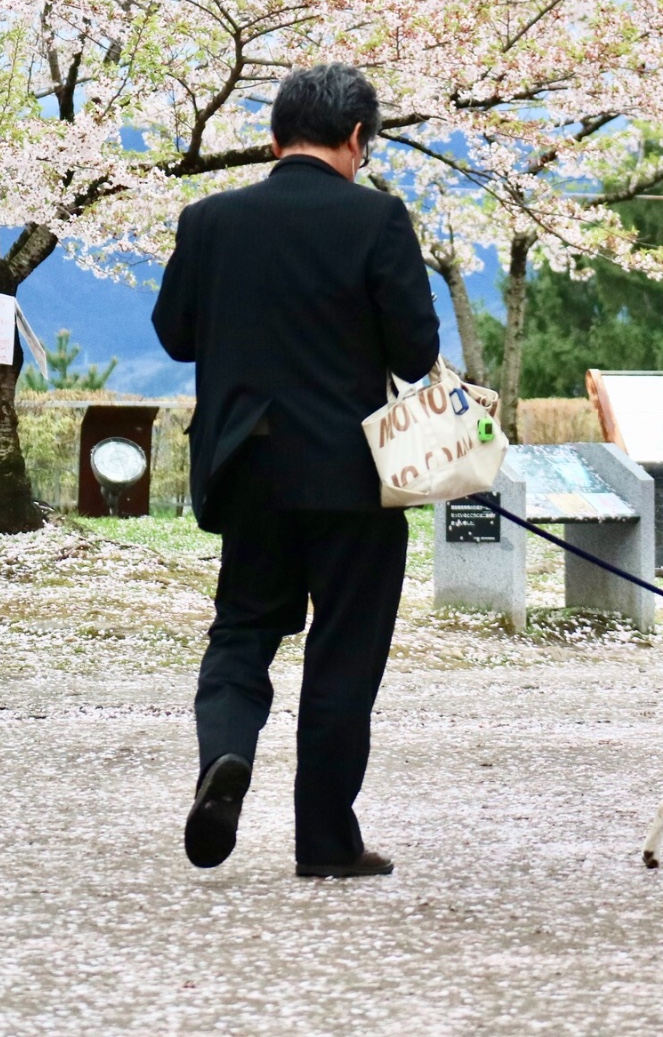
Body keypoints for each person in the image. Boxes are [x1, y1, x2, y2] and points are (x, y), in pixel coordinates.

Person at [153, 63, 439, 878]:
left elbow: (175, 333)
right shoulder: (377, 218)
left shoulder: (209, 220)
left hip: (249, 472)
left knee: (243, 631)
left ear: (274, 137)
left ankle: (226, 756)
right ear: (356, 139)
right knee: (344, 654)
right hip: (354, 480)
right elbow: (416, 353)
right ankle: (325, 841)